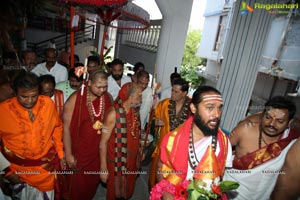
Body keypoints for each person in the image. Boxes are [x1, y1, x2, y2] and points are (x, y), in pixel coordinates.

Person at [152, 86, 232, 199]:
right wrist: (166, 193)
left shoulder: (223, 142)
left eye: (219, 108)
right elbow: (160, 169)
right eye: (210, 108)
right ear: (193, 108)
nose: (217, 114)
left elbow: (221, 177)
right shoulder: (172, 139)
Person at [0, 71, 65, 200]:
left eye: (34, 96)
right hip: (17, 171)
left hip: (45, 170)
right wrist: (6, 171)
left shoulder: (47, 104)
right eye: (23, 97)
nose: (29, 101)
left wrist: (60, 153)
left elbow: (57, 127)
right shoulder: (3, 110)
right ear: (15, 92)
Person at [224, 96, 299, 199]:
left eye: (280, 121)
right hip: (228, 194)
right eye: (268, 117)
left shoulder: (290, 142)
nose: (272, 124)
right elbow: (219, 152)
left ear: (289, 123)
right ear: (262, 115)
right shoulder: (245, 130)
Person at [63, 69, 114, 200]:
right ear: (89, 82)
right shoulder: (76, 99)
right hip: (79, 153)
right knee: (75, 189)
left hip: (98, 153)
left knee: (90, 187)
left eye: (105, 86)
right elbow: (66, 127)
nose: (102, 90)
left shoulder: (108, 97)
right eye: (99, 86)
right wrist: (68, 153)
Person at [149, 77, 192, 188]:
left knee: (175, 183)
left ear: (184, 93)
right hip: (163, 148)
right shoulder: (163, 105)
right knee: (157, 179)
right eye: (172, 90)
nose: (172, 93)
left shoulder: (192, 109)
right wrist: (155, 122)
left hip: (180, 151)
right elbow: (151, 121)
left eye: (176, 92)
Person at [105, 82, 143, 200]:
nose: (141, 98)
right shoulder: (113, 113)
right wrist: (102, 167)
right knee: (114, 192)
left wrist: (140, 150)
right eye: (139, 95)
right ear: (131, 98)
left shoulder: (135, 112)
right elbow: (102, 143)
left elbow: (137, 135)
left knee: (127, 190)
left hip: (131, 161)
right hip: (116, 162)